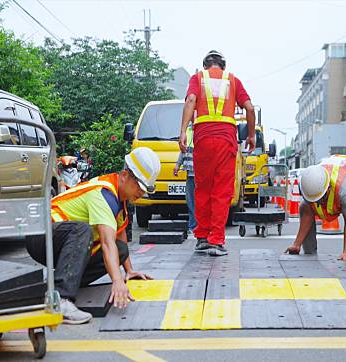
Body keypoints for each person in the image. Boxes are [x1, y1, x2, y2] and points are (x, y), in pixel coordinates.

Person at [26, 147, 161, 324]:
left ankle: (56, 285)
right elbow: (106, 243)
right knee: (83, 230)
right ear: (124, 175)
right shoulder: (103, 195)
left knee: (120, 250)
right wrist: (117, 281)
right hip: (41, 234)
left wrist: (128, 271)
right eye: (140, 186)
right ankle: (61, 299)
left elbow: (119, 237)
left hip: (61, 242)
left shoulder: (119, 202)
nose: (141, 193)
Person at [179, 50, 256, 257]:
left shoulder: (198, 78)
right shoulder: (232, 80)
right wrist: (251, 135)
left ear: (205, 66)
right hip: (226, 139)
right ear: (223, 66)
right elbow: (249, 108)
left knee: (202, 188)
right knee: (221, 191)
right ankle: (216, 241)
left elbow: (190, 100)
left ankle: (202, 238)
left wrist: (182, 132)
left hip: (203, 138)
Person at [285, 155, 346, 261]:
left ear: (328, 189)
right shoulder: (310, 182)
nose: (318, 203)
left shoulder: (344, 189)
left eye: (320, 199)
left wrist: (345, 254)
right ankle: (309, 253)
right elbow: (307, 212)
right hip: (339, 168)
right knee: (305, 206)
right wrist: (296, 244)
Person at [174, 124, 197, 232]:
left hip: (201, 175)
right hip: (190, 174)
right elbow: (183, 151)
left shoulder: (202, 130)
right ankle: (193, 226)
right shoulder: (187, 130)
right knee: (190, 201)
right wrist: (178, 165)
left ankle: (199, 226)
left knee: (199, 202)